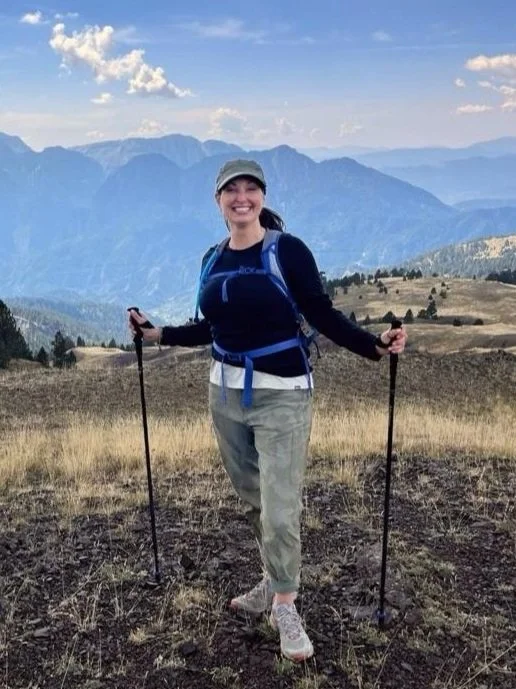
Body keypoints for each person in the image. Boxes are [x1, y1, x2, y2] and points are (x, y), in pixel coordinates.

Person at [128, 158, 407, 662]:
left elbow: (320, 313)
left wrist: (374, 345)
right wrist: (158, 334)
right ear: (218, 201)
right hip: (224, 392)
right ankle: (271, 579)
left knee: (280, 506)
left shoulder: (288, 250)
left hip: (283, 392)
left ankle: (284, 604)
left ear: (262, 196)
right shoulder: (212, 259)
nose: (241, 197)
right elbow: (209, 327)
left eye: (250, 189)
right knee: (254, 498)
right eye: (230, 190)